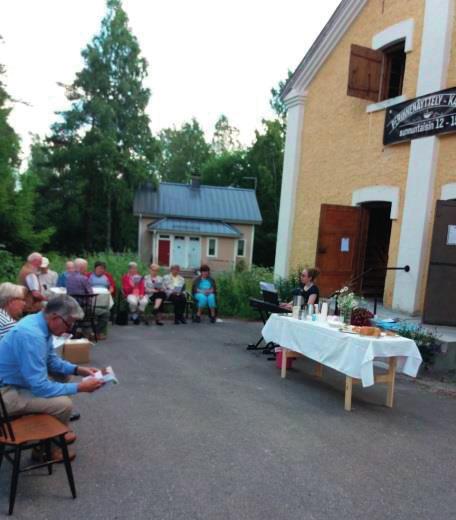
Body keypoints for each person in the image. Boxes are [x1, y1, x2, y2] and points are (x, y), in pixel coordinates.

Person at [0, 295, 103, 461]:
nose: (70, 329)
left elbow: (51, 360)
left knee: (62, 376)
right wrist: (80, 387)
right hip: (5, 393)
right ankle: (48, 450)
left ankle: (54, 432)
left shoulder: (38, 322)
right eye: (69, 323)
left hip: (14, 381)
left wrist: (78, 370)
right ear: (55, 317)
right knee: (64, 405)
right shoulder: (32, 335)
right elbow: (40, 387)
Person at [67, 258, 109, 340]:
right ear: (82, 268)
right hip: (83, 309)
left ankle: (84, 331)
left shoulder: (69, 278)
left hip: (71, 307)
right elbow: (90, 294)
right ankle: (95, 332)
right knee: (105, 313)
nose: (87, 269)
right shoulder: (84, 279)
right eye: (86, 267)